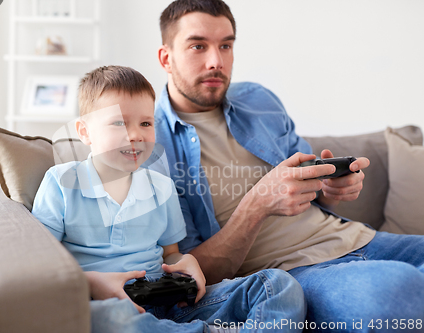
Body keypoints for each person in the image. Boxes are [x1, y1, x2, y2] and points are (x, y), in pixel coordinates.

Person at [154, 0, 424, 331]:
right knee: (398, 290)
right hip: (293, 274)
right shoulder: (152, 146)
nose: (216, 61)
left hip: (361, 240)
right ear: (166, 58)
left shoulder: (258, 99)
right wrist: (257, 204)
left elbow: (311, 183)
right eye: (198, 46)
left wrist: (329, 186)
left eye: (226, 45)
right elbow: (194, 274)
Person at [32, 65, 306, 333]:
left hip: (169, 301)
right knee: (107, 318)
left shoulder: (161, 187)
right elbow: (39, 266)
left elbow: (171, 253)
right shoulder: (61, 182)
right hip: (104, 304)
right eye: (119, 123)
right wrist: (90, 282)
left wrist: (185, 263)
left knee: (278, 285)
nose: (136, 135)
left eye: (146, 123)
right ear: (84, 132)